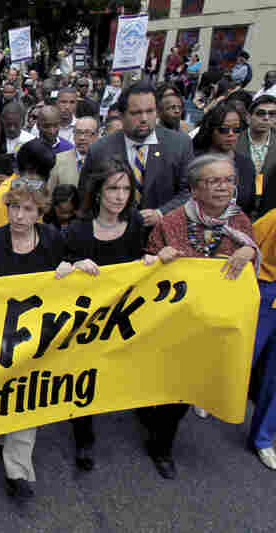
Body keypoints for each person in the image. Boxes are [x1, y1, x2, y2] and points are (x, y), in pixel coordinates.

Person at [144, 153, 259, 478]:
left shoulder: (241, 224)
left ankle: (161, 443)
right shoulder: (173, 222)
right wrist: (158, 257)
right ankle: (155, 429)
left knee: (184, 391)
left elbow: (248, 275)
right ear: (195, 189)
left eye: (227, 180)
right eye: (213, 181)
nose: (222, 188)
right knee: (160, 382)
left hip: (212, 325)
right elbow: (147, 267)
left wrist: (249, 250)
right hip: (172, 321)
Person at [0, 178, 69, 502]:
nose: (19, 215)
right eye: (14, 207)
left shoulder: (54, 240)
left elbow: (69, 279)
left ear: (39, 212)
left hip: (38, 338)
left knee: (27, 397)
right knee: (0, 391)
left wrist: (71, 270)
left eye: (28, 209)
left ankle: (18, 471)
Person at [58, 156, 150, 473]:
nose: (120, 196)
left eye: (126, 188)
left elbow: (143, 260)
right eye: (112, 188)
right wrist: (72, 268)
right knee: (84, 379)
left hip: (125, 318)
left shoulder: (137, 223)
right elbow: (58, 274)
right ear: (98, 191)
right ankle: (84, 439)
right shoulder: (79, 230)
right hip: (87, 324)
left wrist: (152, 262)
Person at [79, 83, 194, 229]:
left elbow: (189, 192)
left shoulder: (180, 144)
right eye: (136, 113)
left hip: (163, 236)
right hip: (112, 237)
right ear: (121, 115)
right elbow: (86, 195)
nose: (144, 118)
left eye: (150, 111)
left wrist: (161, 213)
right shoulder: (100, 149)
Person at [193, 102, 256, 217]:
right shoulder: (194, 161)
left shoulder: (246, 164)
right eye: (224, 130)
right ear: (211, 130)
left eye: (236, 130)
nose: (231, 134)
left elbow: (250, 205)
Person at [250, 207, 276, 470]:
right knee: (244, 354)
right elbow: (246, 243)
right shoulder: (273, 218)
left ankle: (263, 439)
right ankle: (208, 396)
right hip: (266, 290)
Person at [0, 139, 56, 227]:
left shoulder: (36, 188)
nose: (46, 177)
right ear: (29, 169)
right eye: (43, 173)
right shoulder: (3, 194)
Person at [239, 95, 276, 216]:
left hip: (267, 211)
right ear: (248, 117)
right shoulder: (234, 140)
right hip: (236, 209)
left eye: (272, 114)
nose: (266, 118)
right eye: (260, 113)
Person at [50, 115, 98, 189]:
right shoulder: (58, 160)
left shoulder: (104, 160)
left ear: (97, 135)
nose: (82, 138)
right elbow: (50, 193)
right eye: (78, 132)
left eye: (87, 133)